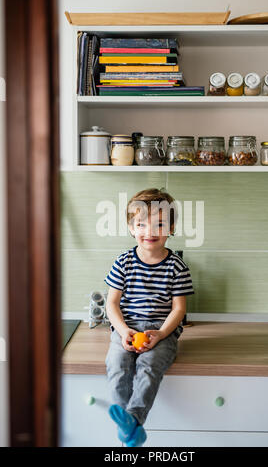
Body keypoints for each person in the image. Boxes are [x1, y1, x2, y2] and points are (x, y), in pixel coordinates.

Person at [104, 188, 194, 447]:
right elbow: (112, 303)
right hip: (127, 329)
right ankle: (129, 426)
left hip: (161, 331)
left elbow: (178, 309)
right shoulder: (123, 262)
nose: (150, 231)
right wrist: (122, 332)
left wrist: (162, 334)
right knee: (118, 365)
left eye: (160, 224)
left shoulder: (177, 265)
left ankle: (133, 419)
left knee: (149, 366)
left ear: (172, 228)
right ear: (131, 228)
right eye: (141, 224)